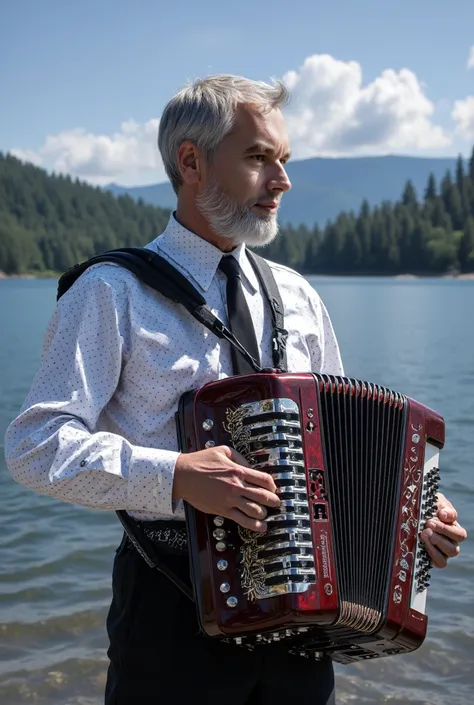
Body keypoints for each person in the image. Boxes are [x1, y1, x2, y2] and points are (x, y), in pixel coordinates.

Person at [4, 74, 467, 705]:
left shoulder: (299, 296)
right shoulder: (110, 292)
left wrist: (411, 518)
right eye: (258, 158)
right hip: (169, 617)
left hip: (304, 625)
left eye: (284, 161)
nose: (282, 182)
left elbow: (340, 451)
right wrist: (175, 475)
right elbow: (35, 445)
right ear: (190, 161)